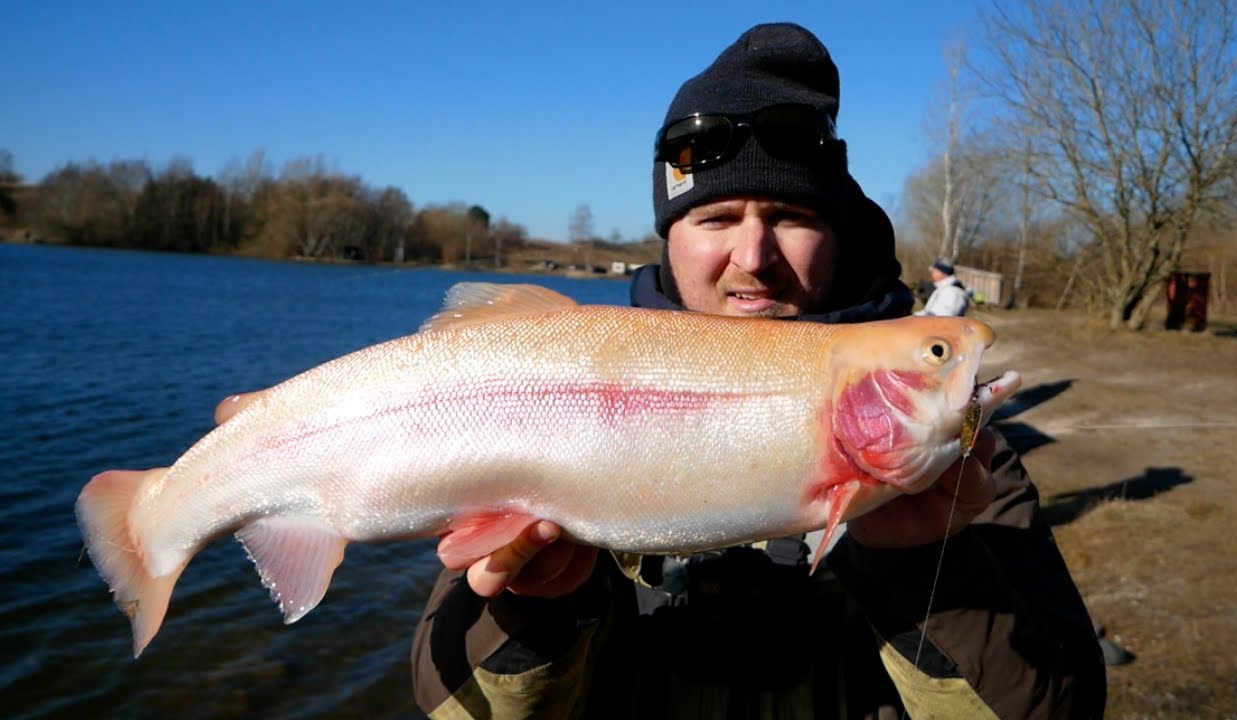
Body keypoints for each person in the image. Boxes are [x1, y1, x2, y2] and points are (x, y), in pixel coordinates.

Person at [408, 23, 1106, 719]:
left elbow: (1063, 708)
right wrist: (539, 612)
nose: (753, 254)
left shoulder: (967, 470)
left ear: (839, 237)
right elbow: (448, 711)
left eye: (788, 216)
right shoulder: (542, 394)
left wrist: (921, 566)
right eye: (715, 218)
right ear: (670, 238)